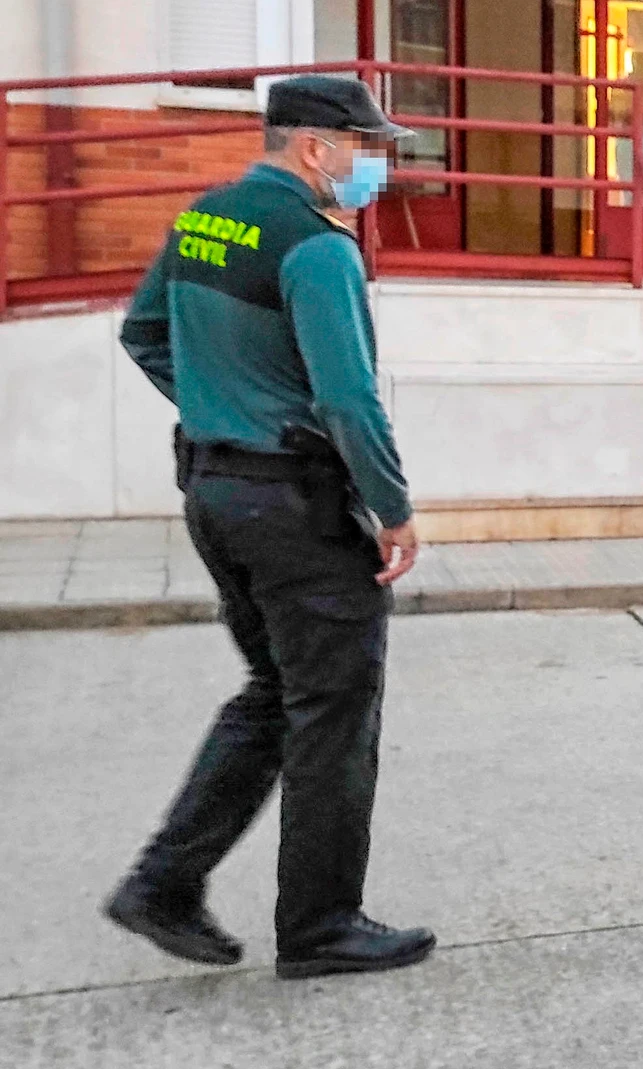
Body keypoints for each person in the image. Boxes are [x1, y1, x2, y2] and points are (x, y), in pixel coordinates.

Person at [105, 75, 435, 981]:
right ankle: (322, 925)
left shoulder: (204, 218)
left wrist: (224, 407)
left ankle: (162, 882)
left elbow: (143, 334)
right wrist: (394, 507)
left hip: (216, 490)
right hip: (294, 507)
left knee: (273, 691)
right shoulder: (318, 247)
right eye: (368, 147)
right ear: (313, 147)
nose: (379, 163)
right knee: (332, 707)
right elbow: (347, 399)